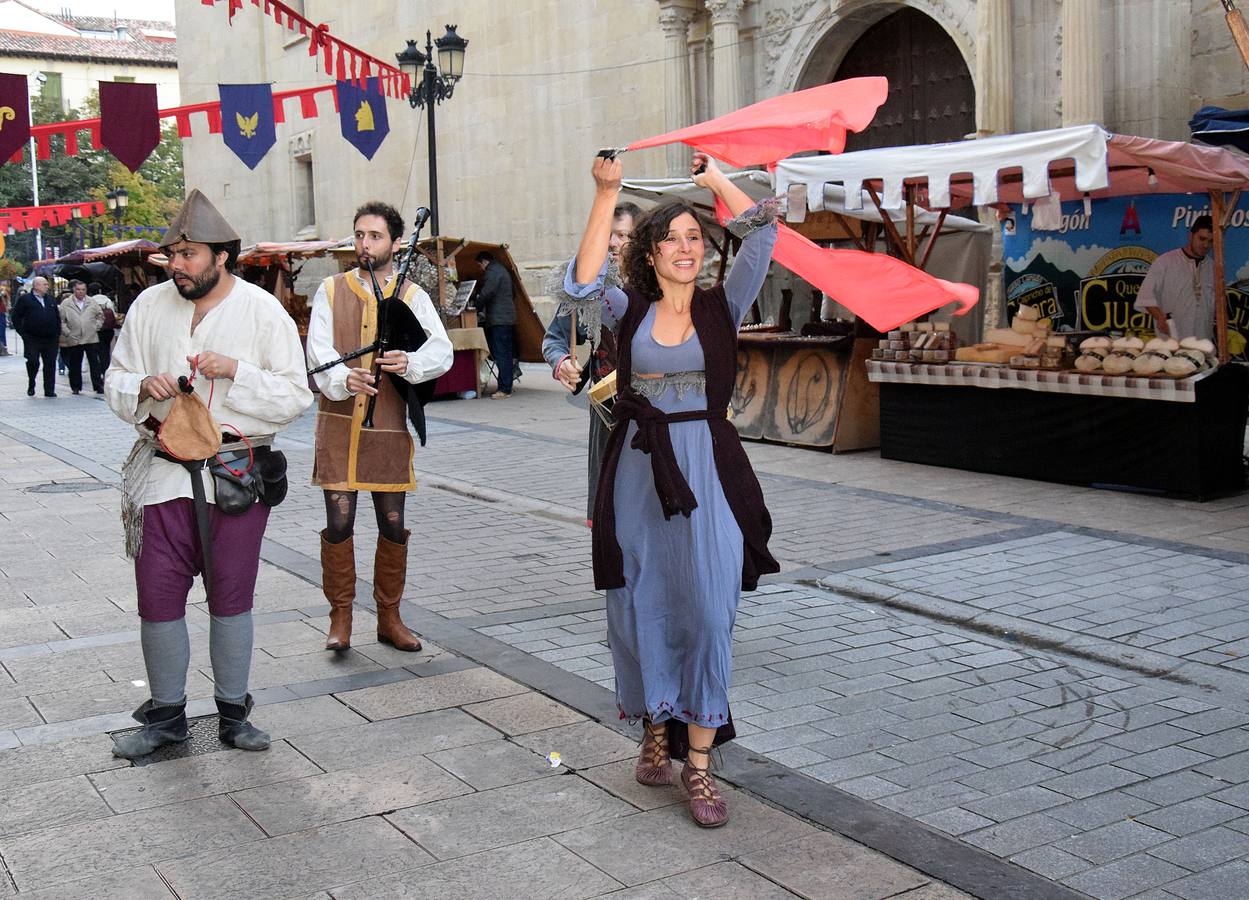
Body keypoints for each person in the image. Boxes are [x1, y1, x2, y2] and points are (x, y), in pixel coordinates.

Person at [569, 153, 779, 828]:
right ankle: (653, 725)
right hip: (637, 471)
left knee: (710, 611)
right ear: (651, 254)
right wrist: (606, 194)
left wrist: (715, 176)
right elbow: (576, 289)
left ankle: (700, 765)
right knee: (638, 606)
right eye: (671, 239)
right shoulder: (626, 308)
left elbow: (762, 230)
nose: (685, 248)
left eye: (694, 237)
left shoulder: (725, 305)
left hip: (707, 468)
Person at [104, 189, 313, 759]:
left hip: (236, 475)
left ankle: (233, 713)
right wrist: (140, 386)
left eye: (189, 254)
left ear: (222, 256)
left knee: (231, 597)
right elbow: (114, 380)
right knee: (158, 595)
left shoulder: (261, 310)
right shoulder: (149, 307)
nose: (176, 264)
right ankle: (166, 719)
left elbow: (296, 395)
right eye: (173, 253)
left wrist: (237, 371)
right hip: (162, 473)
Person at [306, 201, 453, 653]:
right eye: (359, 235)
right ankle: (341, 617)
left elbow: (441, 351)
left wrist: (409, 362)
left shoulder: (411, 295)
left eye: (374, 236)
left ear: (394, 243)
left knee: (392, 523)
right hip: (339, 425)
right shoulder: (331, 290)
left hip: (388, 425)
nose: (365, 244)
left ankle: (389, 617)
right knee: (339, 521)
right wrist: (341, 378)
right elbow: (317, 350)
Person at [543, 201, 639, 524]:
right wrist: (562, 364)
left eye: (623, 235)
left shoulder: (656, 285)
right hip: (606, 412)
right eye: (609, 235)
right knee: (607, 508)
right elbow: (553, 340)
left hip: (651, 409)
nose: (614, 243)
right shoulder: (588, 288)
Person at [1135, 216, 1215, 341]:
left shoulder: (1213, 268)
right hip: (1171, 341)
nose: (1206, 245)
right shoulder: (1165, 262)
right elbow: (1146, 296)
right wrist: (1160, 318)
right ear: (1190, 236)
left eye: (1211, 241)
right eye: (1202, 239)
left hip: (1202, 342)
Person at [474, 250, 517, 398]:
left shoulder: (492, 271)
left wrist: (476, 306)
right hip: (507, 317)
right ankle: (507, 385)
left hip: (499, 319)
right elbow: (513, 292)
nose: (481, 269)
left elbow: (487, 293)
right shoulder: (502, 270)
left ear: (484, 262)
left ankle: (504, 389)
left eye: (480, 265)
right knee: (506, 353)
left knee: (501, 354)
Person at [11, 276, 60, 397]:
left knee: (50, 364)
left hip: (50, 338)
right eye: (45, 284)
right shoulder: (26, 299)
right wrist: (22, 333)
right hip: (32, 338)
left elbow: (57, 317)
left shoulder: (51, 300)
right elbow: (16, 316)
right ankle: (32, 382)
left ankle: (49, 390)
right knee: (33, 361)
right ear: (36, 286)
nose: (47, 286)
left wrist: (57, 332)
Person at [59, 279, 105, 395]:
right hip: (74, 337)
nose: (80, 292)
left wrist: (96, 327)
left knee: (94, 363)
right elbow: (61, 320)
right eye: (78, 289)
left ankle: (98, 385)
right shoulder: (66, 303)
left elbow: (100, 316)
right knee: (75, 363)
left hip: (90, 337)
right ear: (74, 290)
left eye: (83, 290)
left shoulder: (92, 302)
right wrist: (67, 332)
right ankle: (75, 386)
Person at [91, 281, 118, 371]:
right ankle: (106, 368)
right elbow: (113, 314)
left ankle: (102, 369)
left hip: (96, 330)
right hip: (108, 329)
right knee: (106, 350)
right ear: (100, 290)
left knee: (99, 352)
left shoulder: (90, 301)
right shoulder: (106, 300)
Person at [0, 288, 9, 356]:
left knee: (2, 332)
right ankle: (3, 349)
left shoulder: (2, 290)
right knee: (1, 332)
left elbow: (6, 300)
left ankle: (4, 349)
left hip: (2, 313)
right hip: (0, 313)